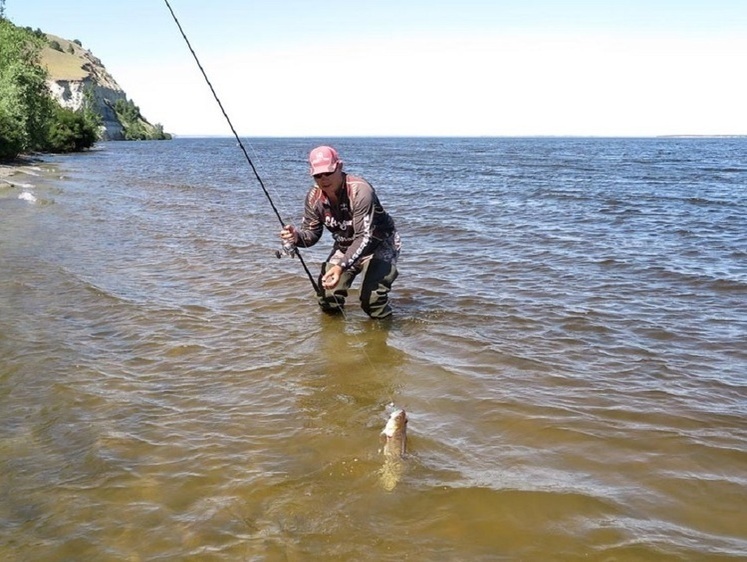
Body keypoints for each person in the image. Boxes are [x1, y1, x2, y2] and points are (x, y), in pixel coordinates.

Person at [280, 145, 400, 319]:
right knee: (327, 297)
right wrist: (296, 236)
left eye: (328, 173)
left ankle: (382, 337)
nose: (323, 179)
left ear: (339, 167)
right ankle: (334, 340)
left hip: (379, 244)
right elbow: (312, 234)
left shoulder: (360, 191)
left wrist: (340, 267)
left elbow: (363, 237)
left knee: (372, 301)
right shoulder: (314, 198)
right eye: (318, 175)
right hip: (345, 245)